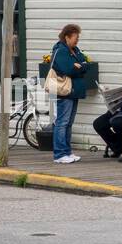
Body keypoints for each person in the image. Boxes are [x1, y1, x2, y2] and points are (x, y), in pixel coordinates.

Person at [49, 24, 89, 164]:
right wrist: (77, 66)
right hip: (64, 91)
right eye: (75, 38)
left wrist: (79, 66)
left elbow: (85, 64)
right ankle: (59, 154)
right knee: (62, 122)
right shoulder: (60, 51)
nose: (77, 40)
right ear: (67, 37)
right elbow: (68, 69)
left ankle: (67, 152)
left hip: (74, 91)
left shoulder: (74, 50)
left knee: (69, 123)